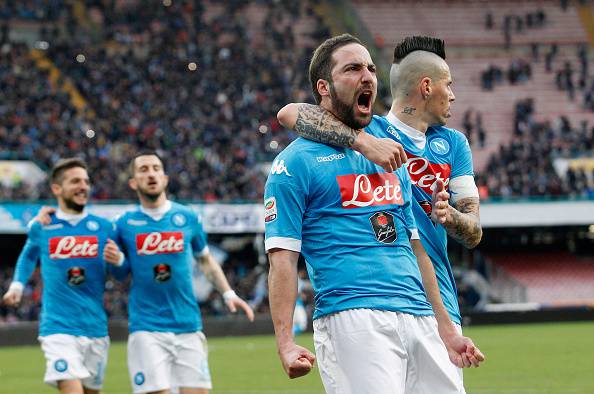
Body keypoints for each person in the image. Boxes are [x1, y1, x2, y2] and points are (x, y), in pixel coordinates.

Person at [266, 34, 483, 394]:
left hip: (421, 311)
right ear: (324, 86)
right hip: (353, 312)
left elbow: (418, 246)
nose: (367, 75)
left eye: (370, 67)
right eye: (353, 68)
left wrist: (444, 327)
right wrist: (285, 342)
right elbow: (282, 259)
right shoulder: (297, 162)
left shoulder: (416, 151)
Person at [113, 152, 254, 394]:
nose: (151, 173)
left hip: (188, 324)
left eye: (156, 168)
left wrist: (228, 293)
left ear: (165, 178)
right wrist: (117, 262)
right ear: (133, 182)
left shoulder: (187, 217)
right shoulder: (124, 224)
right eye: (144, 169)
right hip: (148, 327)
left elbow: (207, 261)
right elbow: (118, 274)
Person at [1, 158, 124, 394]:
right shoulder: (43, 226)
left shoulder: (104, 228)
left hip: (95, 327)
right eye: (75, 181)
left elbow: (121, 273)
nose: (83, 186)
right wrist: (16, 286)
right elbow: (28, 256)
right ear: (57, 189)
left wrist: (118, 260)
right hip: (58, 328)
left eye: (86, 182)